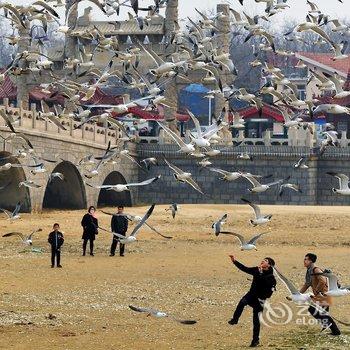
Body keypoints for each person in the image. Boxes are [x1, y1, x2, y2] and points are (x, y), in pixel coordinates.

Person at [228, 255, 277, 348]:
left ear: (269, 265)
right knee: (242, 302)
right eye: (263, 259)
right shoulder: (256, 269)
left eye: (265, 260)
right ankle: (235, 319)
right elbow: (245, 269)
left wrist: (261, 273)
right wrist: (234, 261)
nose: (263, 260)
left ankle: (255, 341)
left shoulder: (271, 277)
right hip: (251, 295)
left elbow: (268, 286)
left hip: (260, 300)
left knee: (256, 321)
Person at [299, 253, 341, 336]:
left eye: (306, 259)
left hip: (323, 295)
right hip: (319, 295)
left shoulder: (315, 269)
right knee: (322, 313)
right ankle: (332, 329)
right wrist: (297, 295)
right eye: (304, 259)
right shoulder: (309, 271)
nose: (304, 261)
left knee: (313, 310)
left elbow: (323, 281)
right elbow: (307, 284)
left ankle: (335, 331)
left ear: (311, 261)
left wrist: (317, 291)